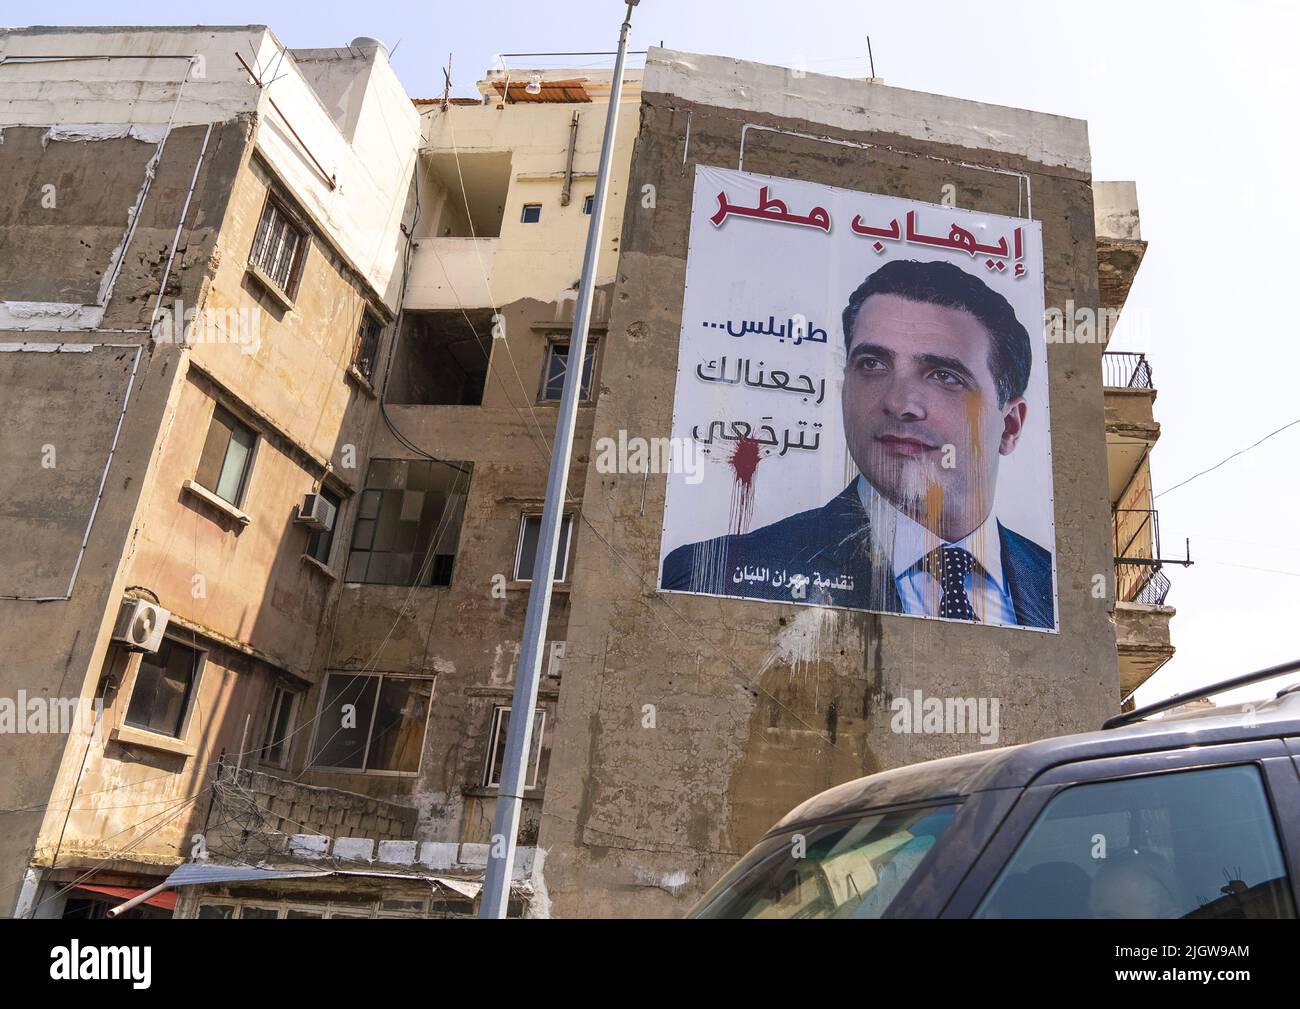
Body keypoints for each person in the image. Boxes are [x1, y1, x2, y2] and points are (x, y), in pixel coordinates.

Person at [661, 259, 1055, 629]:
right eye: (872, 364)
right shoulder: (714, 575)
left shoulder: (1059, 593)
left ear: (1009, 425)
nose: (899, 404)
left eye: (945, 376)